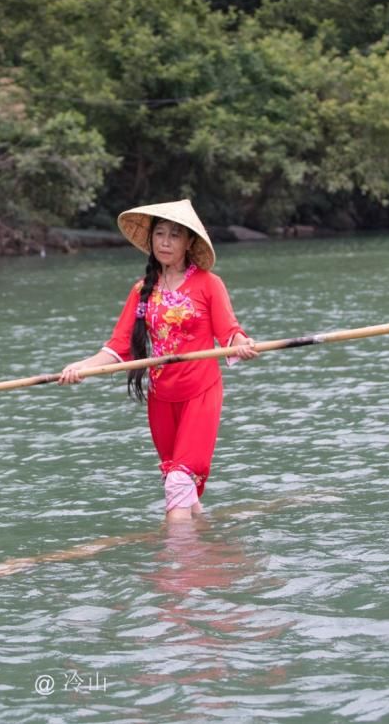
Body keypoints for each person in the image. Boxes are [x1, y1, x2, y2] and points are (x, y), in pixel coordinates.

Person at [59, 199, 258, 521]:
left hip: (200, 392)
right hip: (161, 397)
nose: (165, 242)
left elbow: (229, 332)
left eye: (175, 235)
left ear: (189, 242)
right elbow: (118, 347)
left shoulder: (209, 284)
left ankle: (175, 566)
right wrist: (82, 367)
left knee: (180, 479)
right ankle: (205, 550)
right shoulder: (142, 290)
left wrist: (242, 345)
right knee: (178, 484)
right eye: (160, 234)